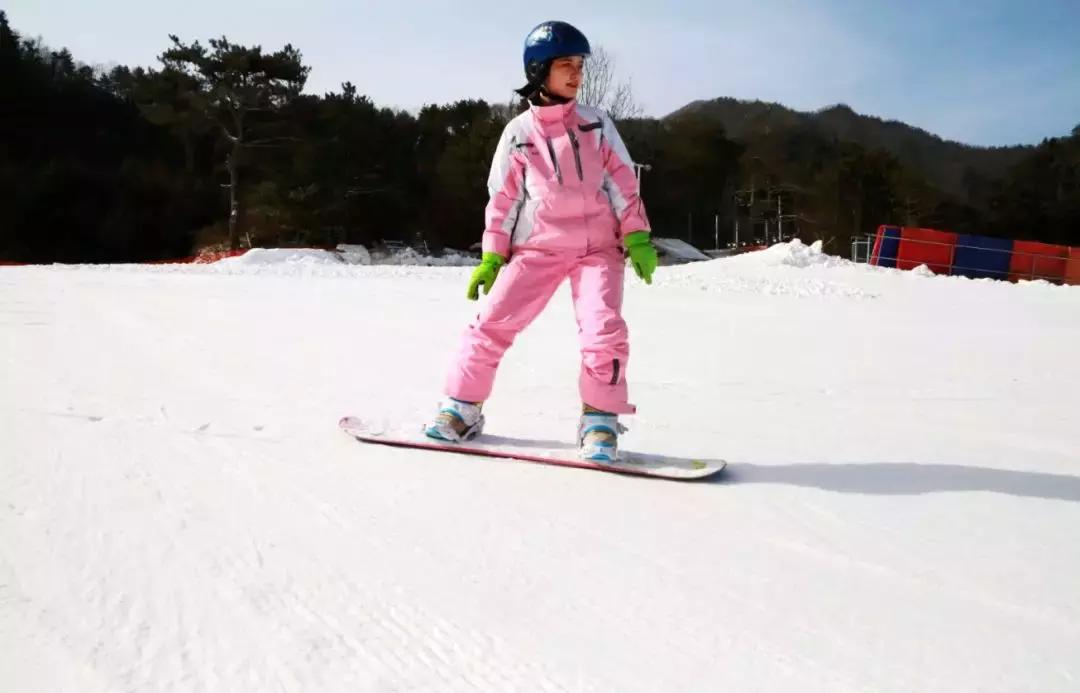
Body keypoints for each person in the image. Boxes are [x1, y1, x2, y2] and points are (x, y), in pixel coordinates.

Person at [425, 20, 657, 462]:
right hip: (539, 247)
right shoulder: (518, 133)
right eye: (565, 64)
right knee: (491, 323)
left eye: (580, 65)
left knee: (603, 330)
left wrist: (638, 235)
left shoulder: (596, 124)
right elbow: (504, 199)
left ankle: (600, 422)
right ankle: (462, 408)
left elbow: (624, 183)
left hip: (596, 250)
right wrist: (493, 255)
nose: (576, 74)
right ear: (538, 71)